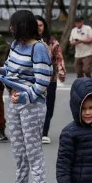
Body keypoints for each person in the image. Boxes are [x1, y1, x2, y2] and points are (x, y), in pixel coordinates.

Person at [0, 9, 52, 183]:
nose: (11, 28)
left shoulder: (39, 48)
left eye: (14, 25)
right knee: (18, 149)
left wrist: (25, 96)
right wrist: (0, 70)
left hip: (32, 105)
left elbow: (43, 81)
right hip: (14, 102)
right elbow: (11, 68)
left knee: (33, 150)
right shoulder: (16, 45)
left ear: (23, 26)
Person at [36, 15, 66, 144]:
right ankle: (34, 131)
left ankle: (44, 132)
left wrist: (61, 72)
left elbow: (59, 58)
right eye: (35, 25)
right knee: (34, 106)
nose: (38, 28)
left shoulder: (52, 42)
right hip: (32, 79)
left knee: (49, 106)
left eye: (40, 25)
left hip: (50, 80)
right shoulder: (27, 41)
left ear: (44, 26)